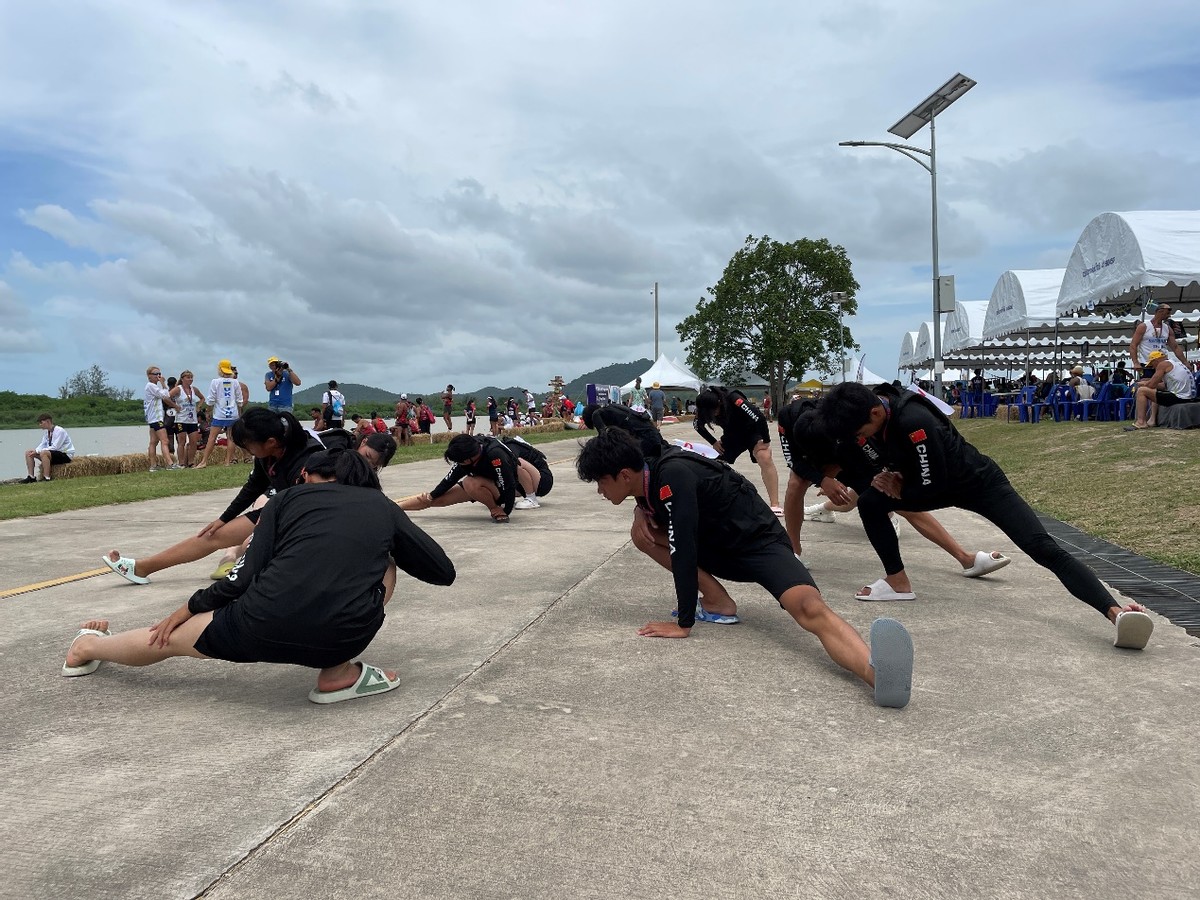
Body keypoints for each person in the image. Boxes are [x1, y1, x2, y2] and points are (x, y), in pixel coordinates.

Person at [64, 449, 457, 704]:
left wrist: (189, 608)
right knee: (385, 562)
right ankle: (337, 673)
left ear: (310, 475)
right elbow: (442, 572)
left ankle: (86, 649)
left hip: (255, 625)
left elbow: (244, 573)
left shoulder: (285, 499)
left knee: (166, 639)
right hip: (340, 637)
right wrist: (384, 545)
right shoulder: (382, 506)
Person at [574, 429, 915, 708]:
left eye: (601, 483)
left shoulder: (673, 474)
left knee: (809, 608)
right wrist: (640, 510)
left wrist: (683, 624)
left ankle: (878, 675)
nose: (600, 491)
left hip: (762, 545)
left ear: (624, 475)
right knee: (643, 535)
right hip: (720, 547)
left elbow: (683, 546)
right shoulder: (646, 474)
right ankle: (718, 602)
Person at [818, 382, 1154, 650]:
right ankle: (897, 582)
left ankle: (1116, 613)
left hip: (978, 484)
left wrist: (897, 485)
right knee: (871, 503)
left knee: (1041, 547)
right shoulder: (865, 418)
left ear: (877, 411)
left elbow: (932, 485)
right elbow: (874, 461)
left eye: (862, 432)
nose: (861, 439)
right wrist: (881, 477)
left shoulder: (913, 419)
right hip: (926, 483)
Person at [102, 409, 324, 585]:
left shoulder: (309, 459)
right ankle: (141, 568)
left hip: (312, 519)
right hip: (283, 508)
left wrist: (264, 528)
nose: (247, 451)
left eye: (248, 446)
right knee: (213, 534)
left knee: (262, 547)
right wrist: (223, 519)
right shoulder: (267, 454)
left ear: (271, 442)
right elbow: (253, 487)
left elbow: (314, 506)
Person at [693, 386, 782, 515]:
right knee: (712, 463)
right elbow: (697, 425)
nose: (713, 415)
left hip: (752, 432)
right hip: (732, 435)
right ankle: (711, 500)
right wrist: (713, 442)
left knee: (764, 456)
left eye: (714, 411)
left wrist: (766, 441)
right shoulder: (704, 407)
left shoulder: (734, 399)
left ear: (719, 402)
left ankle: (775, 504)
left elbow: (759, 417)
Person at [400, 433, 521, 524]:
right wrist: (431, 496)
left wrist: (506, 510)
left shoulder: (495, 454)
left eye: (458, 461)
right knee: (436, 500)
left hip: (504, 489)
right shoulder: (467, 454)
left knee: (469, 482)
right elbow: (449, 480)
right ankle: (395, 507)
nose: (457, 463)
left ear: (467, 459)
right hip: (481, 485)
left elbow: (509, 483)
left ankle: (494, 508)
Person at [1127, 350, 1197, 429]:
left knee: (1142, 391)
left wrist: (1142, 383)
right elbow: (1163, 386)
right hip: (1189, 396)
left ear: (1156, 361)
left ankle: (1141, 422)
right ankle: (1152, 420)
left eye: (1152, 364)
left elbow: (1151, 385)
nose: (1153, 367)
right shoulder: (1176, 364)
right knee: (1156, 392)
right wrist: (1148, 383)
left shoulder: (1162, 364)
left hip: (1179, 397)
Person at [196, 360, 244, 469]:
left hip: (219, 414)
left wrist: (208, 410)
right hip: (232, 414)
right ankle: (228, 461)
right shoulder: (235, 382)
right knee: (231, 437)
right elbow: (240, 400)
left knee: (212, 438)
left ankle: (204, 461)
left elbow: (210, 400)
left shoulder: (215, 382)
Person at [581, 403, 669, 458]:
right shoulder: (613, 407)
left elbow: (604, 440)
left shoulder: (597, 414)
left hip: (647, 440)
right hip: (653, 434)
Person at [1131, 303, 1187, 376]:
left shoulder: (1167, 328)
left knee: (1164, 383)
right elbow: (1133, 345)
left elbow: (1175, 348)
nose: (1169, 315)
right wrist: (1135, 362)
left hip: (1163, 364)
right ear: (1160, 311)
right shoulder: (1144, 327)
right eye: (1167, 313)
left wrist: (1185, 362)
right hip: (1147, 364)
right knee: (1147, 382)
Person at [143, 365, 179, 471]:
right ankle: (170, 463)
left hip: (153, 418)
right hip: (156, 418)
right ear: (149, 376)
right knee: (165, 440)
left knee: (153, 442)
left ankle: (153, 465)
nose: (158, 376)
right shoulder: (151, 386)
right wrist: (163, 383)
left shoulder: (152, 386)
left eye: (159, 374)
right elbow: (166, 395)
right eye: (155, 374)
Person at [503, 435, 554, 509]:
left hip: (543, 481)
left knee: (517, 463)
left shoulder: (511, 446)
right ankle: (509, 498)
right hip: (524, 483)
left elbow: (514, 462)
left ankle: (531, 499)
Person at [23, 413, 75, 482]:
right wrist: (35, 451)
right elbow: (42, 444)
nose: (40, 425)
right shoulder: (47, 433)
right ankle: (31, 477)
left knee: (44, 453)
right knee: (28, 452)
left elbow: (55, 447)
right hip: (53, 454)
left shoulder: (60, 431)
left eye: (41, 422)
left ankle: (46, 477)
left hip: (65, 455)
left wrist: (39, 451)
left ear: (48, 421)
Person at [172, 370, 207, 467]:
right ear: (182, 379)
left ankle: (191, 462)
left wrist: (198, 407)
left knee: (193, 442)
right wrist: (175, 406)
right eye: (188, 377)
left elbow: (202, 398)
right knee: (182, 442)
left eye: (191, 377)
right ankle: (181, 463)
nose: (190, 379)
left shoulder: (194, 389)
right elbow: (166, 397)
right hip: (181, 419)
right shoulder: (178, 389)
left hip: (192, 420)